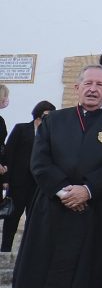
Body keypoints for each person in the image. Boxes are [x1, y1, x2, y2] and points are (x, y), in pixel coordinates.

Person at [12, 65, 102, 288]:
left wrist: (86, 191)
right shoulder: (53, 120)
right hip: (52, 210)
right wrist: (65, 191)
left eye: (100, 85)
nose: (93, 89)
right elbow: (39, 162)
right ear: (77, 88)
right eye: (88, 83)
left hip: (94, 212)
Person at [2, 100, 54, 253]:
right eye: (46, 116)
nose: (48, 119)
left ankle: (28, 251)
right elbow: (9, 154)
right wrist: (5, 180)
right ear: (38, 114)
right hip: (18, 182)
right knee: (12, 217)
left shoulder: (50, 134)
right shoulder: (21, 129)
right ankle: (5, 249)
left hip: (38, 184)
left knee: (34, 219)